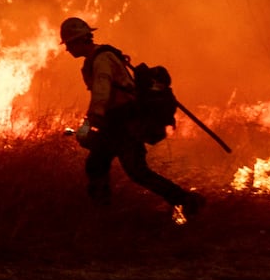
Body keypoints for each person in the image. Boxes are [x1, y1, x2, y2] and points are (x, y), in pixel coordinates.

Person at [60, 17, 205, 216]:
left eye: (68, 43)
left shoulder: (101, 60)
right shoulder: (96, 59)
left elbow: (102, 93)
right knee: (96, 164)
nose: (67, 49)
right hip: (114, 123)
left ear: (79, 40)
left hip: (124, 123)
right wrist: (90, 125)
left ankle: (186, 200)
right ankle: (101, 211)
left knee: (137, 171)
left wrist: (91, 121)